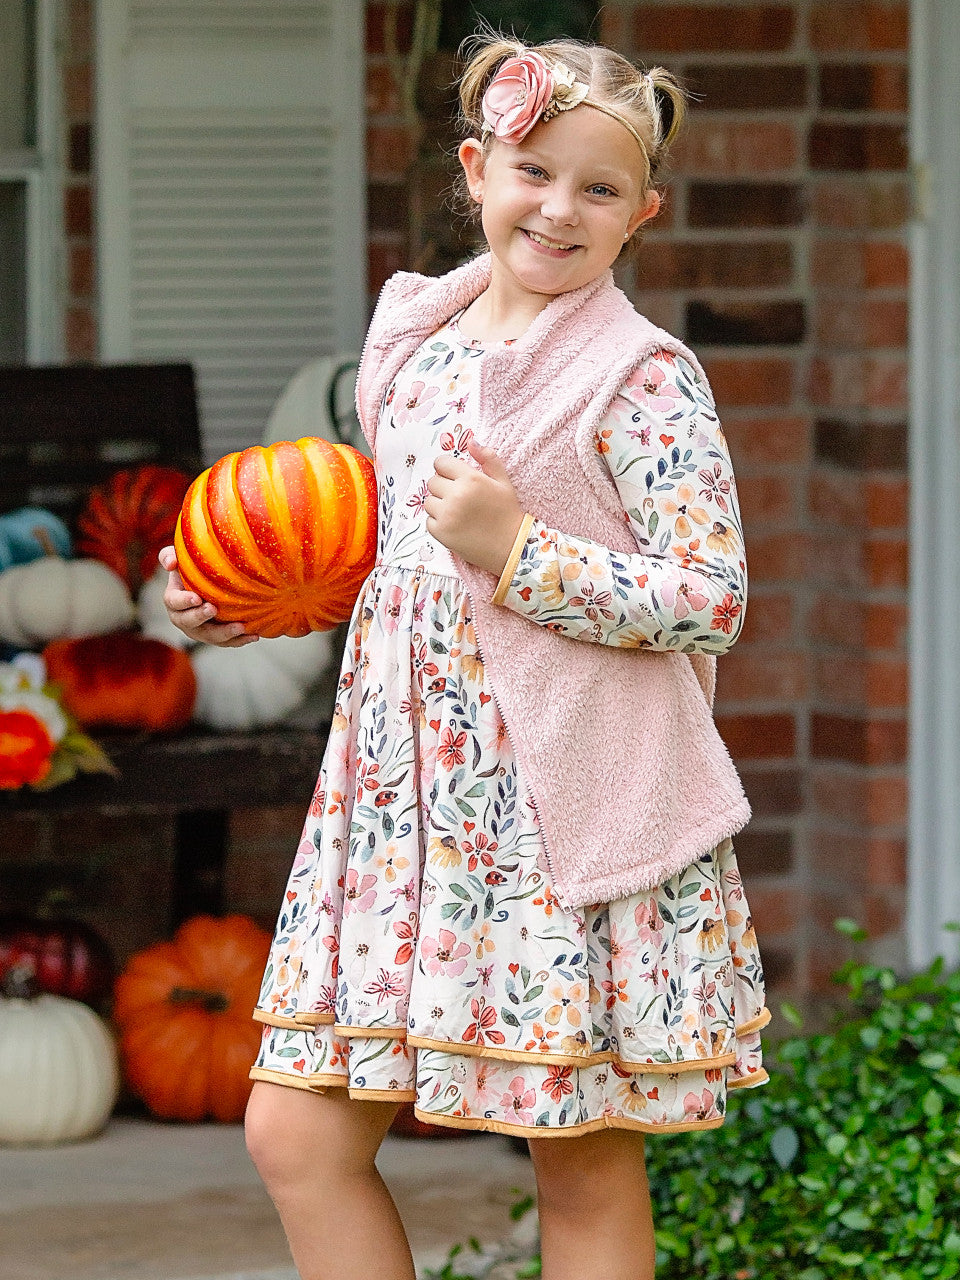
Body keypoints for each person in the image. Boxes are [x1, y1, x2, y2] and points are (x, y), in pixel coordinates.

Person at [161, 33, 768, 1280]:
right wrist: (253, 598)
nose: (559, 208)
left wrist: (519, 546)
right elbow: (395, 567)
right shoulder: (417, 349)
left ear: (641, 212)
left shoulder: (642, 378)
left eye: (598, 189)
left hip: (558, 817)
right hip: (401, 814)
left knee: (580, 1151)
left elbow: (710, 596)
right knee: (295, 1129)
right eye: (534, 171)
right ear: (476, 167)